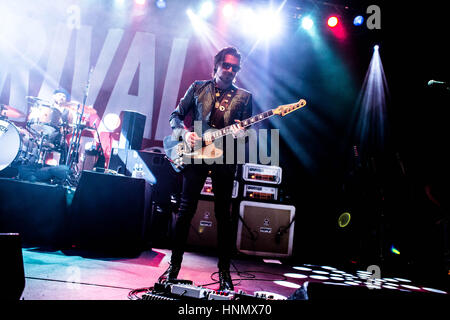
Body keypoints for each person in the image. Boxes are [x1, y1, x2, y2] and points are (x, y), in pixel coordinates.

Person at [159, 47, 252, 291]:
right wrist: (184, 133)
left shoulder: (244, 97)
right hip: (196, 154)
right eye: (227, 65)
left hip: (225, 156)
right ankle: (174, 267)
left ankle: (224, 274)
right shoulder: (198, 87)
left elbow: (244, 137)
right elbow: (175, 116)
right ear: (217, 65)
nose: (230, 70)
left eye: (235, 67)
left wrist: (242, 135)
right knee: (186, 210)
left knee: (224, 216)